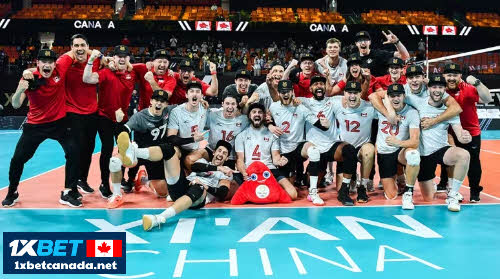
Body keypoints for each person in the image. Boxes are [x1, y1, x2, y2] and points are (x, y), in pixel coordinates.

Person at [3, 49, 81, 207]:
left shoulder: (61, 67)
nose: (47, 64)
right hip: (35, 125)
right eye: (43, 62)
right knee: (18, 159)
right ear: (37, 63)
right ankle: (12, 192)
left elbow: (74, 51)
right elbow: (16, 104)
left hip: (59, 123)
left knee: (74, 152)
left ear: (54, 63)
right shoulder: (30, 78)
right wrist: (19, 89)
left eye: (50, 62)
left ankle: (69, 191)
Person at [112, 127, 224, 231]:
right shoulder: (203, 161)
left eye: (224, 153)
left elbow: (223, 192)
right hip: (182, 187)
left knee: (197, 187)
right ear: (214, 152)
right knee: (169, 150)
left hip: (199, 198)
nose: (221, 154)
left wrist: (207, 185)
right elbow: (193, 165)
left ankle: (159, 218)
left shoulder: (225, 172)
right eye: (219, 151)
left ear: (227, 158)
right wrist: (214, 166)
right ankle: (134, 153)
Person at [106, 89, 177, 208]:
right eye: (156, 100)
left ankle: (143, 180)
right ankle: (117, 195)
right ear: (151, 101)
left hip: (156, 155)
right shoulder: (139, 117)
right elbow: (124, 131)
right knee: (114, 161)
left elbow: (185, 106)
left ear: (166, 104)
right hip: (138, 153)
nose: (159, 103)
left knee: (162, 193)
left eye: (162, 101)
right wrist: (118, 123)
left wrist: (201, 101)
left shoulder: (168, 111)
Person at [83, 46, 137, 199]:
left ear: (128, 59)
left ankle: (120, 179)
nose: (121, 58)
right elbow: (87, 79)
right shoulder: (106, 72)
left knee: (125, 151)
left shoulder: (132, 73)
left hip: (123, 119)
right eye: (118, 56)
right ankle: (104, 183)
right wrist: (92, 60)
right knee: (106, 149)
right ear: (114, 58)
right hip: (105, 117)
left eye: (125, 56)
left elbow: (151, 67)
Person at [298, 76, 359, 206]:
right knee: (309, 182)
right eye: (315, 84)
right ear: (310, 89)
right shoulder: (304, 102)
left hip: (331, 145)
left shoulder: (334, 101)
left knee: (350, 150)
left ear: (325, 88)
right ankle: (308, 177)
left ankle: (344, 190)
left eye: (321, 84)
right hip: (314, 147)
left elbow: (353, 96)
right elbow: (280, 99)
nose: (319, 86)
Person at [414, 75, 472, 212]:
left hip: (441, 149)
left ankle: (452, 195)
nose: (437, 90)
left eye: (440, 87)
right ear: (428, 89)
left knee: (464, 155)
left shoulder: (450, 112)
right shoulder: (418, 103)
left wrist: (466, 137)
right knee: (428, 198)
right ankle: (431, 183)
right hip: (422, 154)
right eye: (434, 87)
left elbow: (460, 135)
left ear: (444, 89)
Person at [268, 80, 331, 205]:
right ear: (279, 93)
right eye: (282, 92)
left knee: (314, 151)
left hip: (298, 148)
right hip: (282, 151)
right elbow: (265, 120)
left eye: (288, 92)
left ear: (292, 92)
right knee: (290, 193)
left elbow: (320, 124)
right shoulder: (273, 107)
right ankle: (294, 178)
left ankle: (313, 192)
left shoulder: (301, 108)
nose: (285, 94)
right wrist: (270, 125)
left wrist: (326, 124)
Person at [438, 63, 493, 202]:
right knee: (447, 160)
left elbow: (488, 99)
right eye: (449, 75)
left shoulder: (468, 89)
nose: (451, 78)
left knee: (473, 162)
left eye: (455, 75)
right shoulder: (440, 89)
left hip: (470, 131)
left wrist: (477, 82)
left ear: (460, 76)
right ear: (444, 76)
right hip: (448, 131)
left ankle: (475, 191)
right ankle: (444, 184)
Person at [235, 103, 298, 200]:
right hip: (249, 170)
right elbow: (240, 160)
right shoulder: (241, 136)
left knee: (292, 194)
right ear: (249, 116)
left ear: (264, 116)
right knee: (231, 191)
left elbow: (275, 157)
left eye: (260, 112)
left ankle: (259, 194)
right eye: (254, 112)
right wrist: (244, 173)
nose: (257, 114)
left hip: (269, 169)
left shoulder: (272, 135)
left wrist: (280, 161)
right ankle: (266, 193)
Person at [373, 84, 420, 210]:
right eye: (392, 96)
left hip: (400, 151)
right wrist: (389, 115)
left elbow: (415, 142)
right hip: (385, 154)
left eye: (398, 95)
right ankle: (399, 178)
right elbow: (372, 96)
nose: (396, 99)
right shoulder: (380, 108)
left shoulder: (411, 112)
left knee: (413, 155)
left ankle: (408, 192)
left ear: (404, 96)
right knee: (391, 196)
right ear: (387, 98)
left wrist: (397, 143)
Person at [64, 34, 101, 195]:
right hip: (72, 112)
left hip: (92, 112)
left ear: (88, 46)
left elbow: (107, 59)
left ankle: (82, 180)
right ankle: (70, 187)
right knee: (74, 151)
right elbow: (48, 68)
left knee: (88, 149)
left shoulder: (96, 58)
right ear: (71, 48)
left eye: (82, 45)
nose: (79, 48)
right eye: (76, 46)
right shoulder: (66, 61)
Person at [331, 81, 376, 200]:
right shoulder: (336, 104)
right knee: (340, 189)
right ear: (344, 94)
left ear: (360, 94)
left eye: (355, 93)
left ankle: (363, 187)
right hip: (345, 151)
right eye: (349, 92)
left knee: (370, 150)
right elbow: (316, 102)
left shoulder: (370, 107)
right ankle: (352, 178)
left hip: (362, 148)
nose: (352, 96)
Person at [167, 80, 209, 167]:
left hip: (195, 149)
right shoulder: (176, 112)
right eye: (191, 91)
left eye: (197, 92)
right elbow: (171, 139)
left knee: (191, 160)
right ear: (186, 95)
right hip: (179, 147)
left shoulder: (204, 109)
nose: (194, 94)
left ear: (202, 96)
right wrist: (193, 139)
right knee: (171, 152)